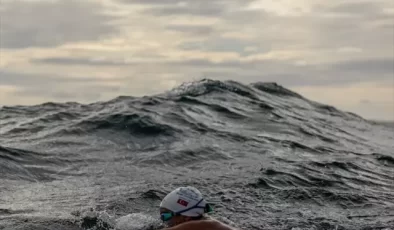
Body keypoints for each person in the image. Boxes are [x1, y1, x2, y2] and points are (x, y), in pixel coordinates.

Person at [159, 186, 238, 230]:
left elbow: (209, 225)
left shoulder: (209, 225)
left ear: (186, 217)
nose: (163, 220)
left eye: (165, 216)